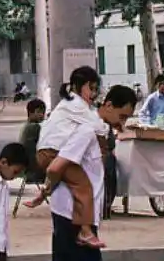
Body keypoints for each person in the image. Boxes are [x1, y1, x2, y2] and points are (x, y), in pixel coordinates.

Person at [15, 84, 137, 261]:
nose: (122, 123)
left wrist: (47, 192)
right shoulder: (87, 130)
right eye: (121, 116)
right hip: (74, 214)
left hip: (68, 211)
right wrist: (47, 190)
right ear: (108, 105)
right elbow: (57, 166)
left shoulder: (96, 131)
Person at [25, 66, 106, 249]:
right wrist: (117, 129)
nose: (93, 94)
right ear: (78, 86)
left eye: (95, 89)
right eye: (90, 88)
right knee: (84, 187)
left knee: (59, 174)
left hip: (46, 152)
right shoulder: (77, 105)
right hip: (53, 152)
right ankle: (85, 232)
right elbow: (98, 127)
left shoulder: (67, 103)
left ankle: (42, 194)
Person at [18, 99, 47, 183]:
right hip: (32, 170)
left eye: (43, 112)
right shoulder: (34, 127)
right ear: (30, 113)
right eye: (38, 112)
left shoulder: (26, 125)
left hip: (27, 168)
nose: (41, 115)